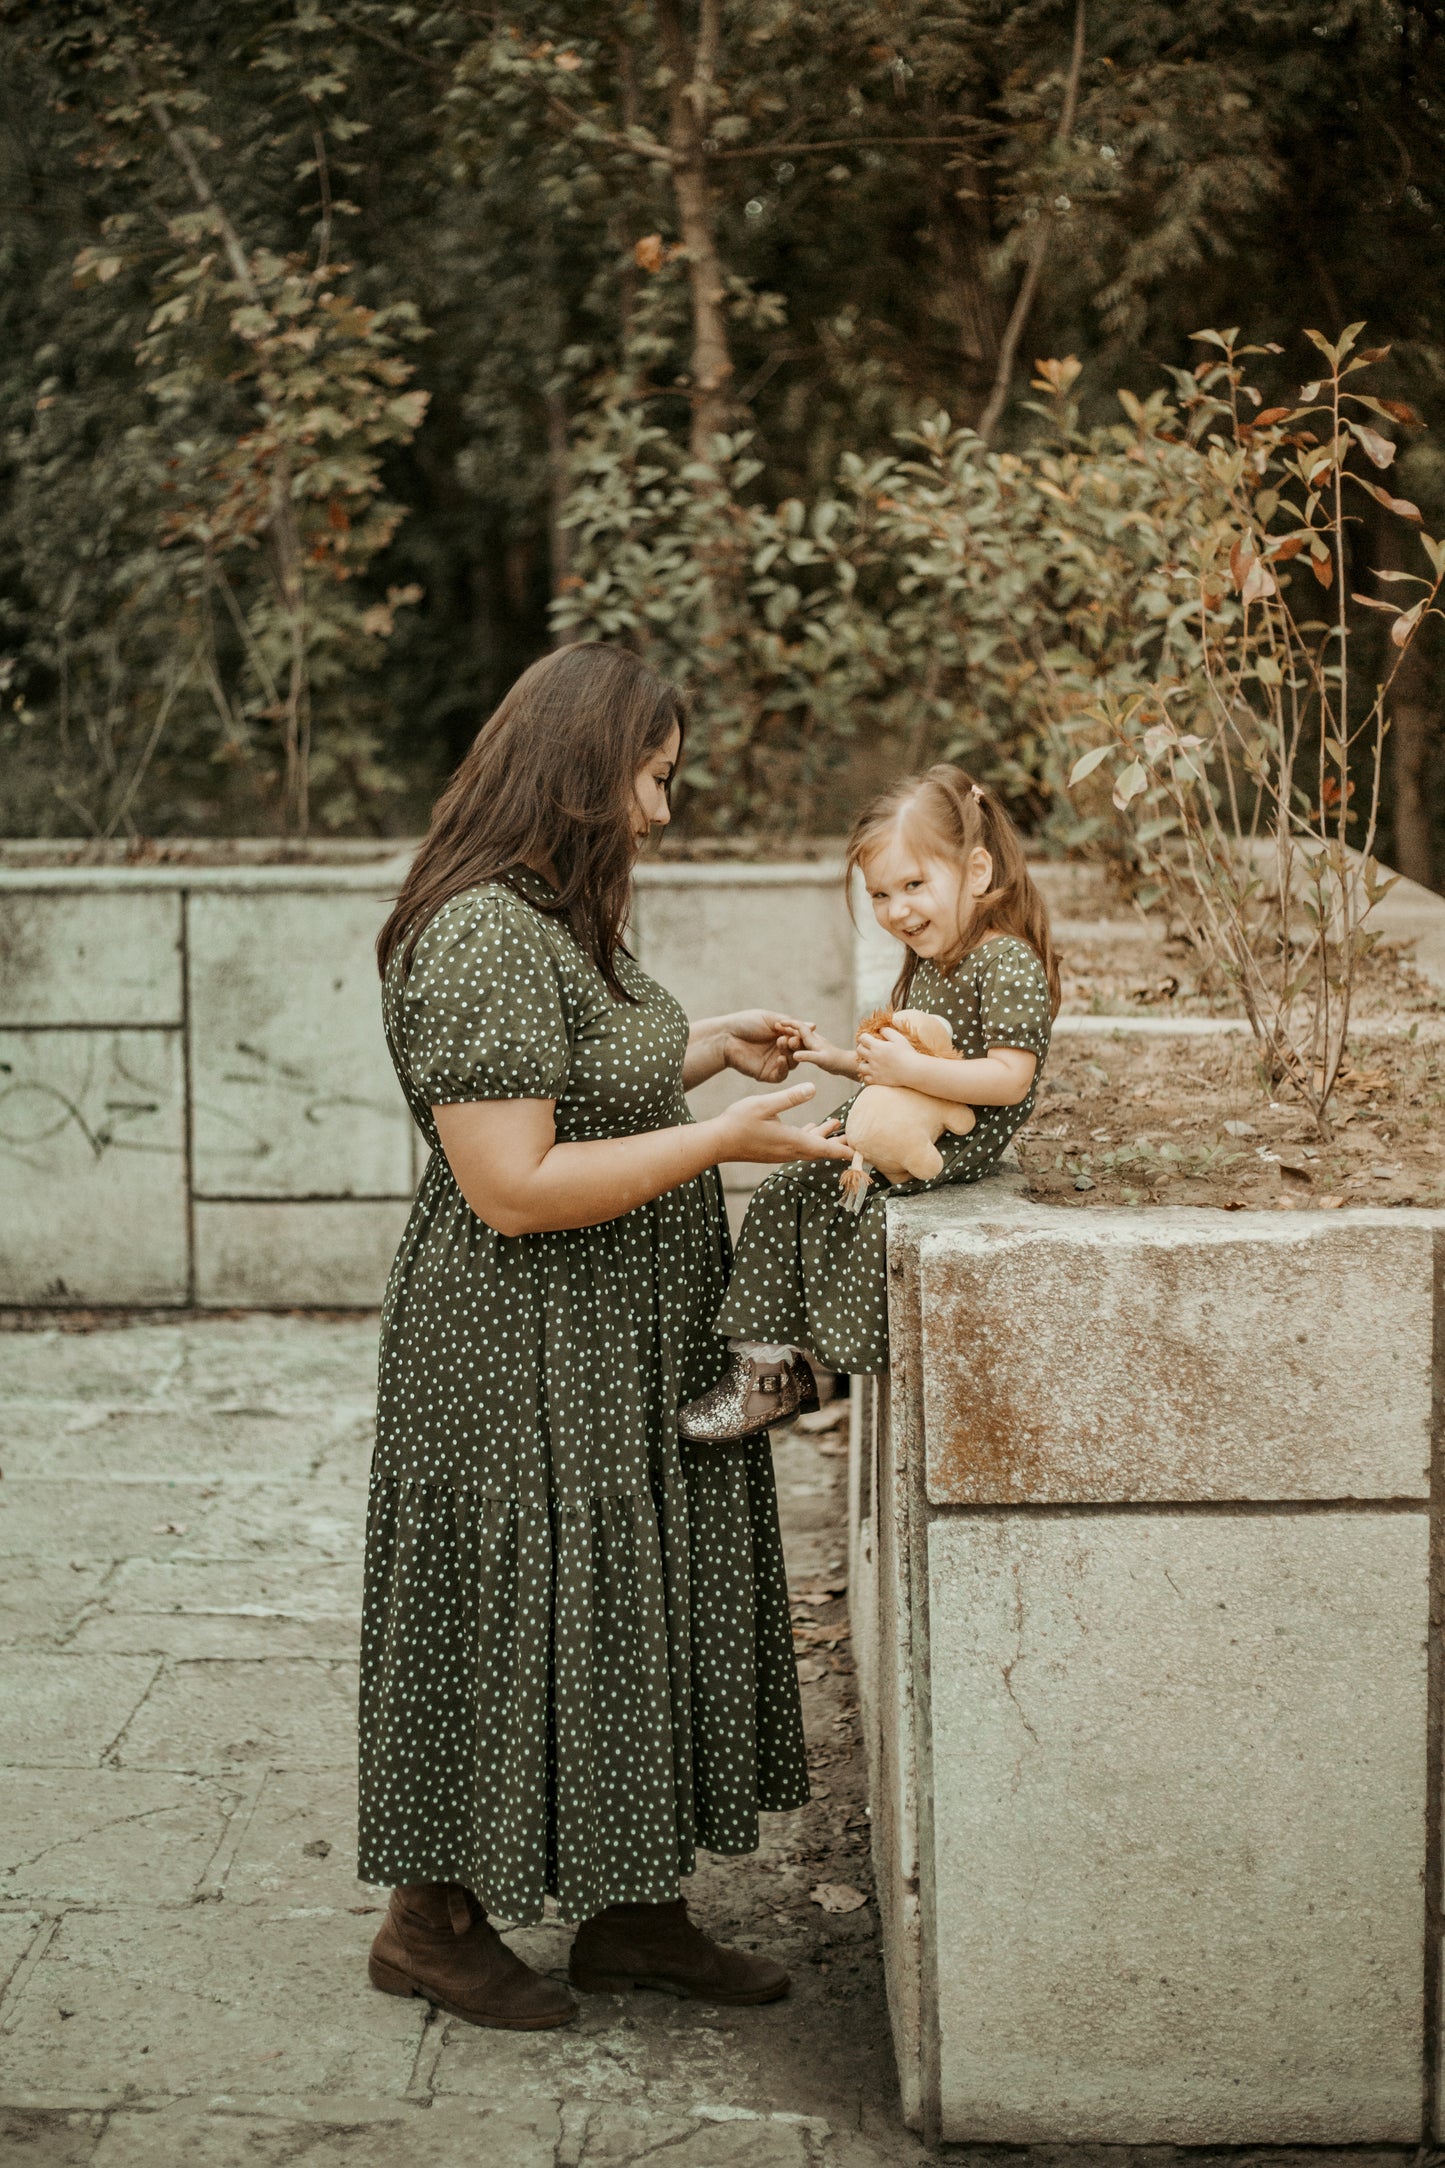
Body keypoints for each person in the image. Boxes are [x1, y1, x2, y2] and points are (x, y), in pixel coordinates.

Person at [359, 642, 851, 2031]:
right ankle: (430, 1925)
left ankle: (634, 1913)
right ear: (585, 771)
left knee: (636, 1603)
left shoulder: (549, 916)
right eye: (653, 778)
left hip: (612, 1343)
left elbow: (573, 1080)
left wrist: (705, 1044)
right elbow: (510, 1187)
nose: (662, 812)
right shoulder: (478, 937)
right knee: (512, 1613)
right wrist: (725, 1141)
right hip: (517, 1356)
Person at [678, 765, 1060, 1440]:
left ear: (975, 872)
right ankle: (768, 1374)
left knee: (859, 1215)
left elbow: (1007, 1079)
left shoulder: (1005, 963)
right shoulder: (934, 961)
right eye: (880, 893)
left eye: (914, 885)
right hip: (900, 1131)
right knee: (782, 1191)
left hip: (945, 1149)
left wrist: (904, 1068)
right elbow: (906, 1067)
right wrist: (835, 1058)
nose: (896, 910)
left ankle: (844, 1367)